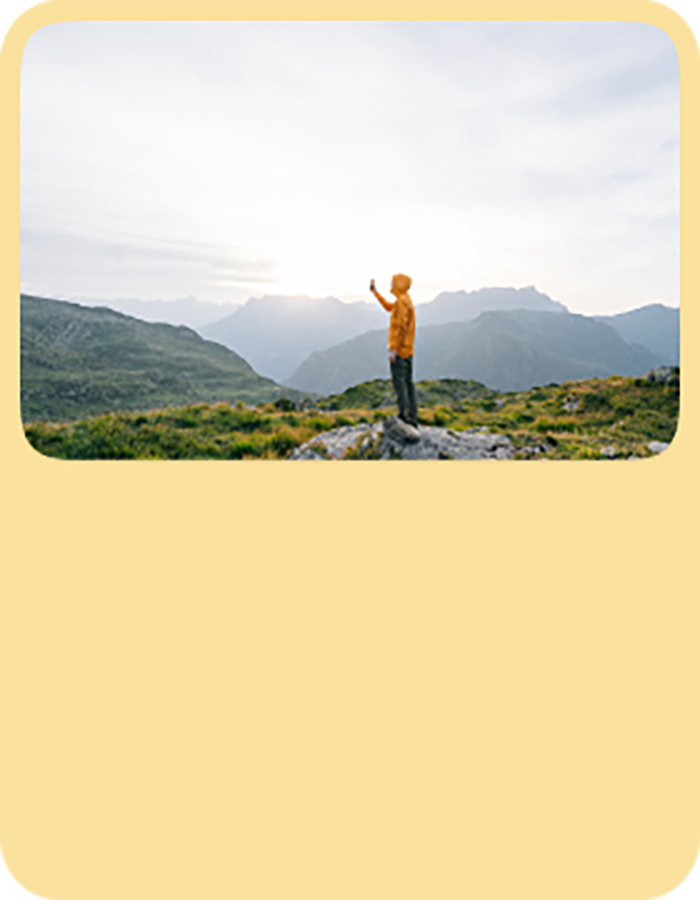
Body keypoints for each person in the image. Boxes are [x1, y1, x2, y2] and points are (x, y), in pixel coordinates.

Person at [370, 274, 419, 435]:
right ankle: (413, 417)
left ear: (399, 284)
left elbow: (400, 328)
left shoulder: (402, 303)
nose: (391, 284)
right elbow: (390, 308)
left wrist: (393, 350)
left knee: (400, 385)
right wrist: (376, 293)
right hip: (408, 350)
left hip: (401, 352)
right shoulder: (406, 300)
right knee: (408, 383)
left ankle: (404, 418)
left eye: (393, 282)